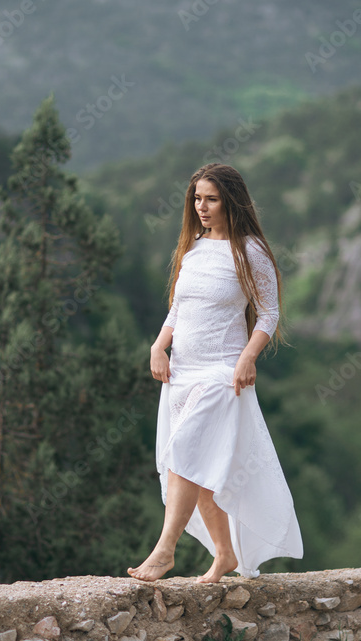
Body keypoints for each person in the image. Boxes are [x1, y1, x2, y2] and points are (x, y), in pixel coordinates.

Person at [128, 163, 304, 583]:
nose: (201, 207)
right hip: (182, 374)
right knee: (200, 473)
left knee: (187, 453)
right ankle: (225, 555)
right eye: (196, 199)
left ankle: (164, 551)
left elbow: (269, 312)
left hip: (222, 374)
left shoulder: (251, 251)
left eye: (211, 198)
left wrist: (248, 357)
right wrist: (157, 346)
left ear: (231, 200)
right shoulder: (194, 249)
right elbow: (179, 308)